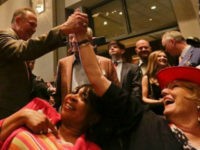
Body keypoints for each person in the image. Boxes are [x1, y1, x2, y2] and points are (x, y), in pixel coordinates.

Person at [2, 30, 200, 149]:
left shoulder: (92, 146)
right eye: (166, 87)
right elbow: (95, 80)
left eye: (175, 87)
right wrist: (22, 116)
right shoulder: (148, 121)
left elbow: (104, 84)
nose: (165, 91)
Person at [0, 7, 88, 118]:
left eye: (35, 26)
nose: (34, 30)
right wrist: (62, 29)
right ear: (17, 21)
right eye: (31, 24)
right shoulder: (2, 36)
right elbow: (25, 50)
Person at [54, 27, 119, 110]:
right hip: (72, 115)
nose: (73, 41)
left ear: (90, 40)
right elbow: (58, 96)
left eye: (77, 37)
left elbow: (116, 93)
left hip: (99, 115)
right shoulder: (63, 63)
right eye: (71, 37)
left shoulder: (106, 63)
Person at [141, 50, 169, 115]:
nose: (163, 58)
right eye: (159, 56)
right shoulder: (146, 77)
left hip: (171, 107)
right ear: (152, 60)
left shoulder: (170, 74)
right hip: (156, 111)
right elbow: (144, 98)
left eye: (165, 57)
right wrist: (159, 101)